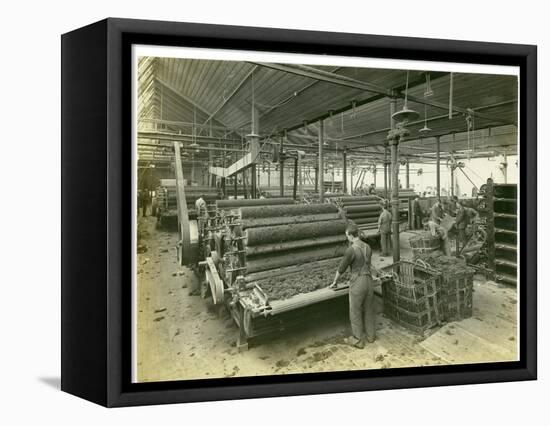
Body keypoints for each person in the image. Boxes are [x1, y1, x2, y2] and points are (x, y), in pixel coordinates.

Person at [330, 223, 376, 348]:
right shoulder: (368, 247)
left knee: (355, 311)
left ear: (351, 235)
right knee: (369, 309)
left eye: (347, 236)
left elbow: (341, 268)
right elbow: (368, 264)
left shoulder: (351, 250)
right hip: (369, 281)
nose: (347, 238)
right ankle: (371, 336)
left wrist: (335, 282)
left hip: (358, 283)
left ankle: (358, 340)